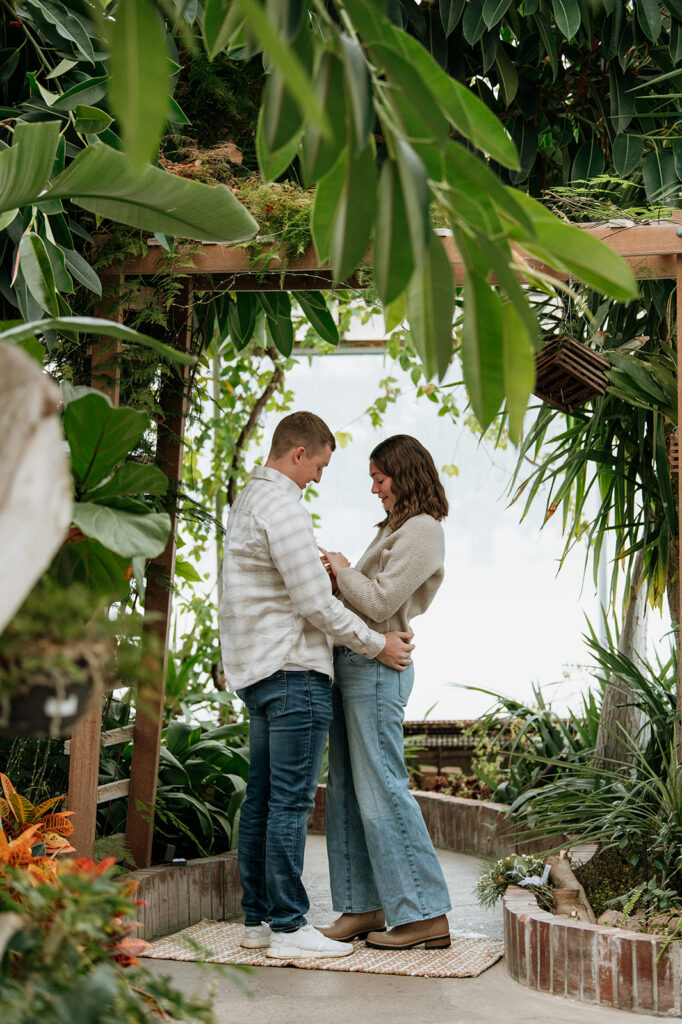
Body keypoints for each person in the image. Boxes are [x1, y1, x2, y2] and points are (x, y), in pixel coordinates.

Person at [218, 412, 414, 961]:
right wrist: (376, 645)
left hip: (258, 671)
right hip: (293, 673)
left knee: (260, 801)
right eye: (321, 465)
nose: (321, 478)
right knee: (290, 804)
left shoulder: (249, 501)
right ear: (298, 452)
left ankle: (258, 920)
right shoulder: (282, 506)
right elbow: (314, 604)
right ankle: (288, 928)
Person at [319, 434, 452, 951]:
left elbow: (379, 602)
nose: (375, 489)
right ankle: (364, 906)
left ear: (404, 473)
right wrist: (345, 571)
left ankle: (424, 912)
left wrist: (342, 568)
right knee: (350, 792)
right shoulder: (396, 527)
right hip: (357, 664)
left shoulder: (422, 530)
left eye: (380, 478)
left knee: (382, 792)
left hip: (377, 670)